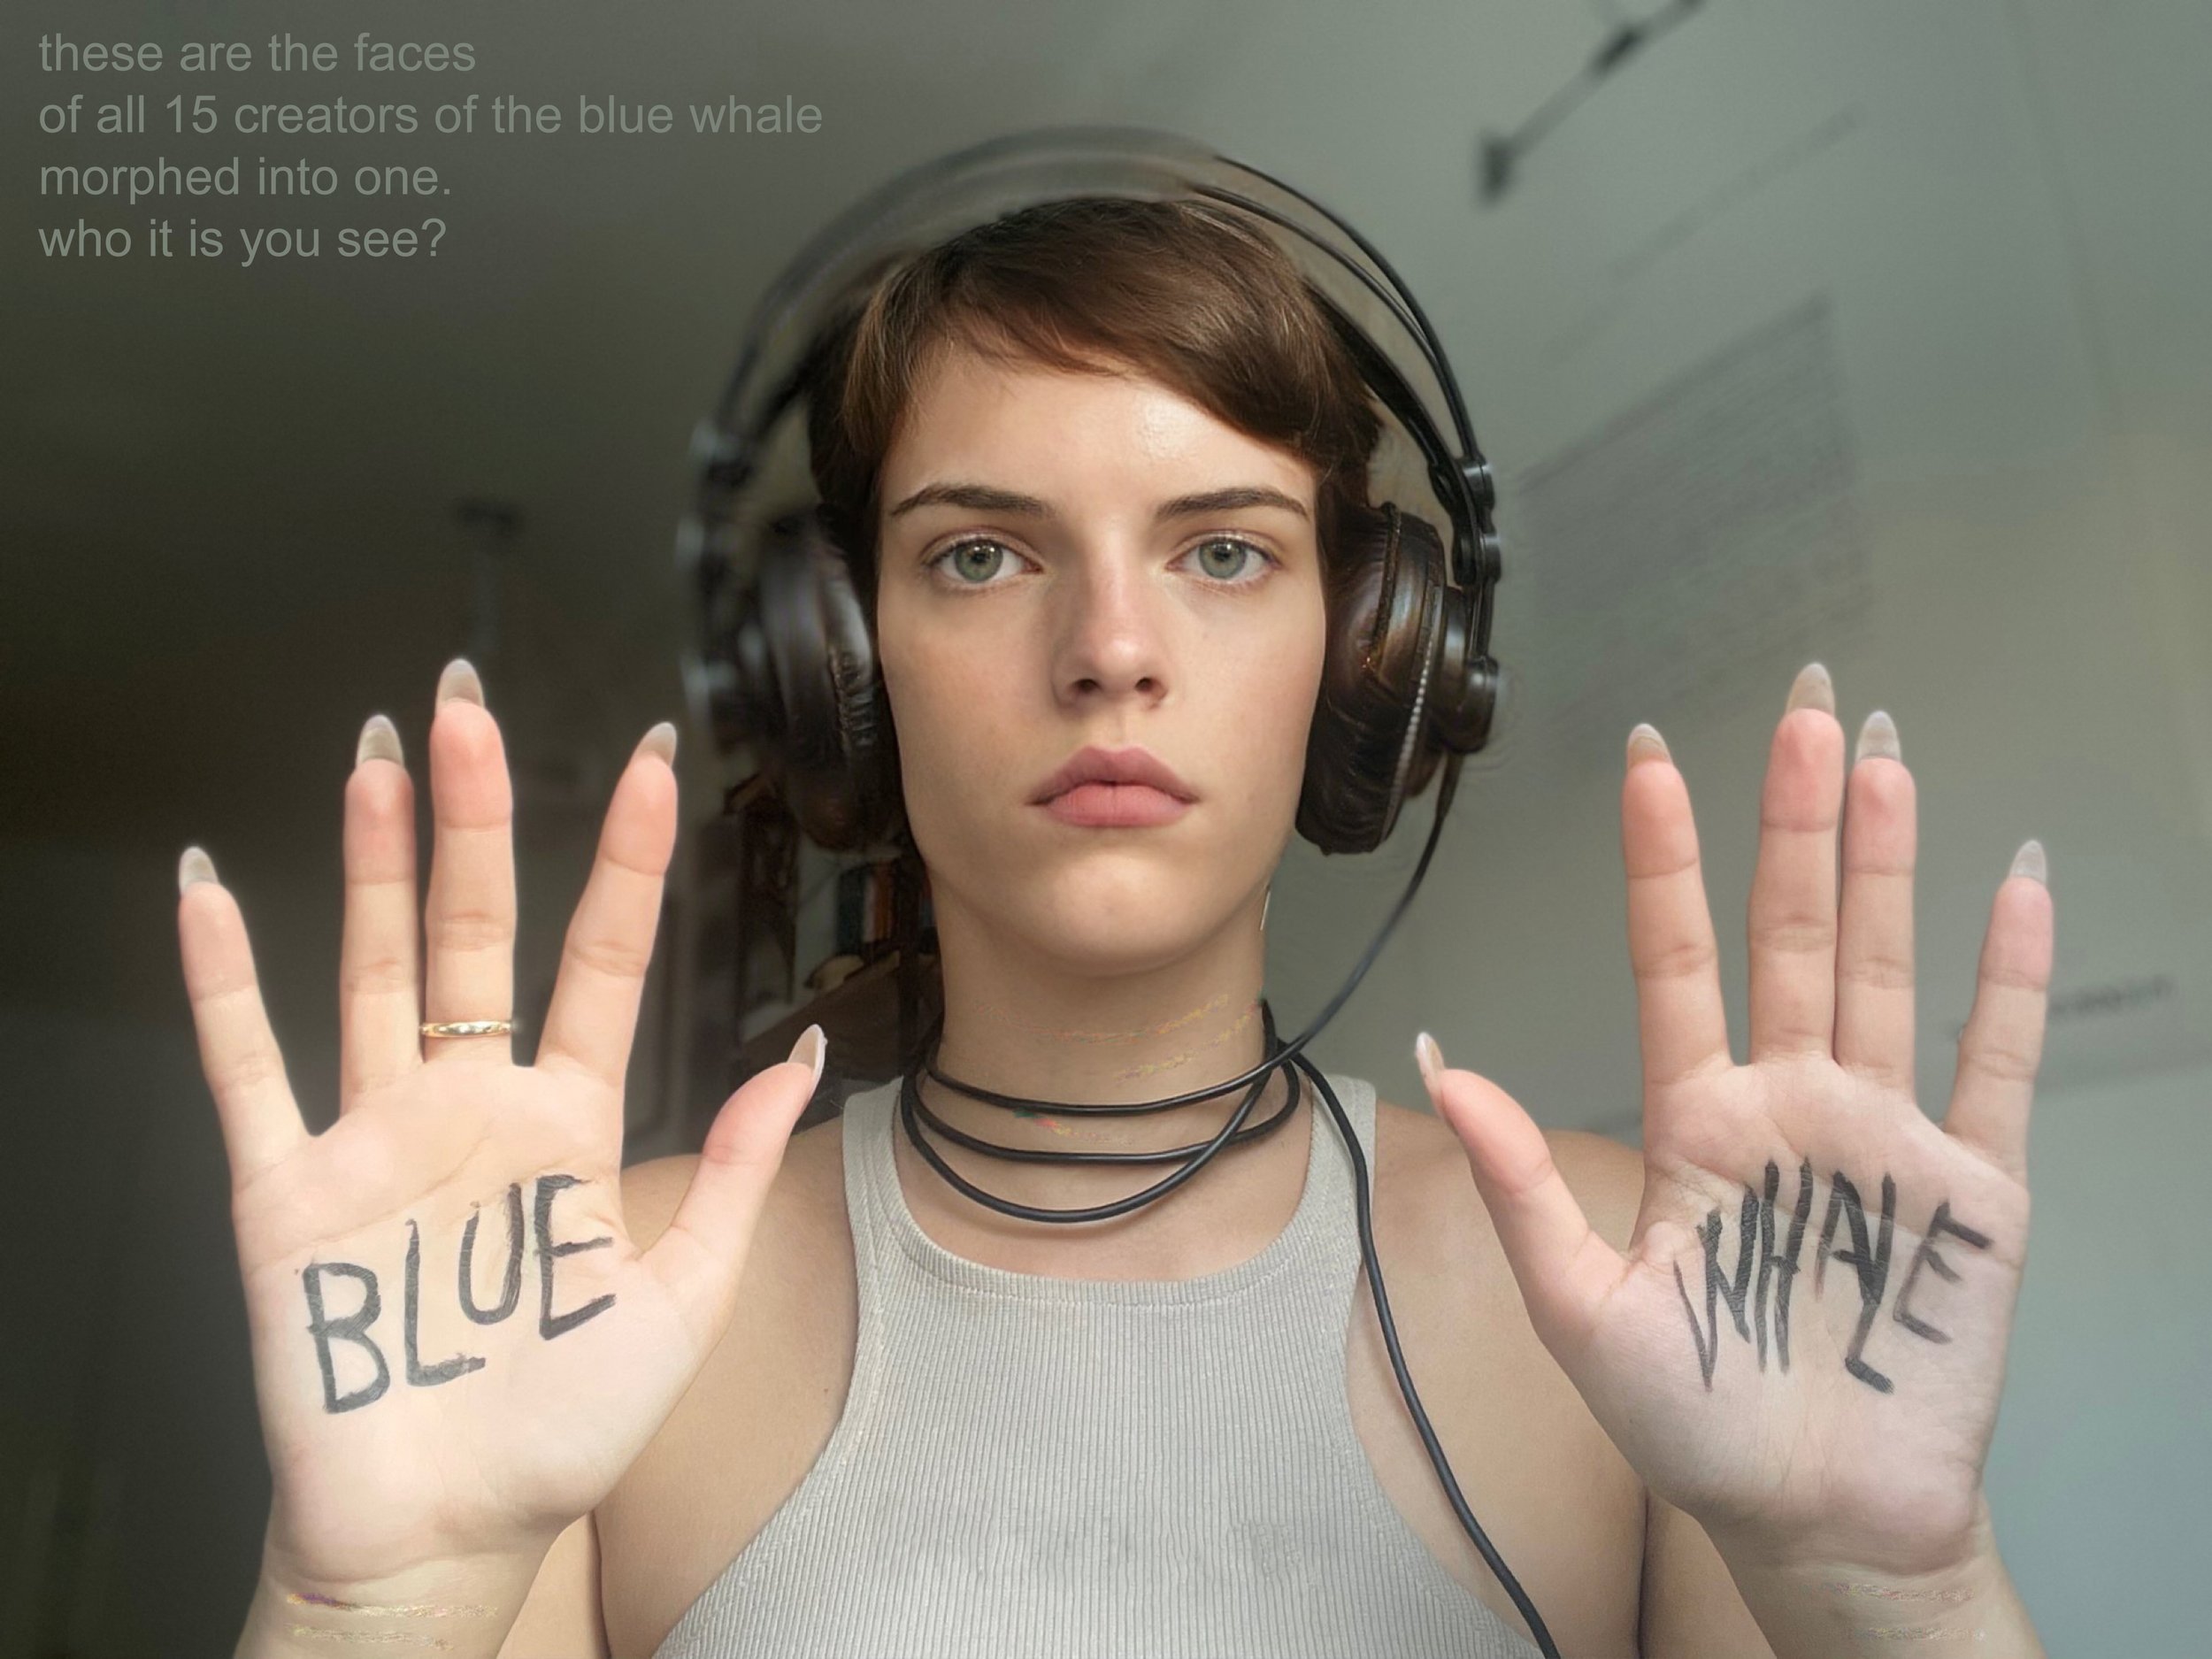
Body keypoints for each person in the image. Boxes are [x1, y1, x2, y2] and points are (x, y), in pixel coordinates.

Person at [180, 192, 2055, 1659]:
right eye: (979, 551)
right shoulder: (582, 1297)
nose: (1108, 647)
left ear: (1371, 657)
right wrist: (369, 1611)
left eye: (1223, 548)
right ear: (837, 671)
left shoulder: (1645, 1289)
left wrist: (1899, 1597)